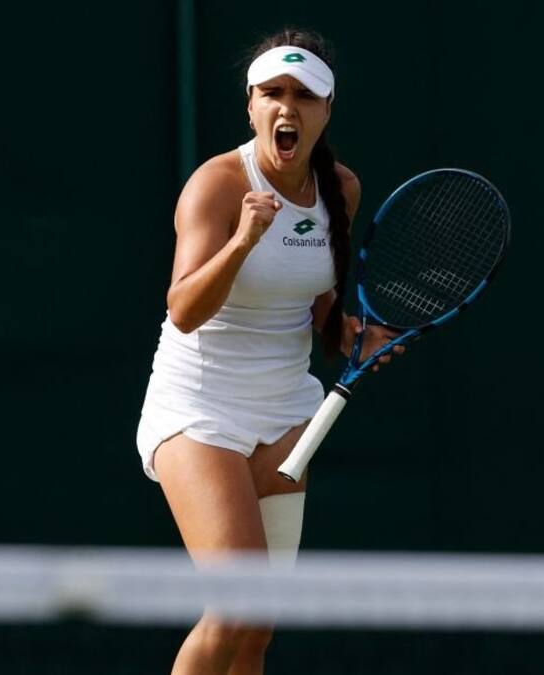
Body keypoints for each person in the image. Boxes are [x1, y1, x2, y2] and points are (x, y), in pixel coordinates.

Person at [135, 29, 404, 674]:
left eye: (304, 96)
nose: (288, 107)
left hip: (284, 414)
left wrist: (348, 333)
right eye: (273, 93)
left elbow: (316, 299)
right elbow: (184, 309)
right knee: (232, 610)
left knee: (255, 631)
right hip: (199, 411)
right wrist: (243, 240)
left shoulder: (341, 189)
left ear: (326, 110)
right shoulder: (217, 185)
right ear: (251, 106)